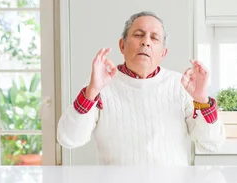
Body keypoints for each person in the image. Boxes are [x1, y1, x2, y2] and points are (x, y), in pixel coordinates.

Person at [56, 11, 226, 166]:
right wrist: (91, 92)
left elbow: (212, 144)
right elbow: (68, 138)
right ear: (122, 45)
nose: (146, 42)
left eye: (154, 38)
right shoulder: (100, 84)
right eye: (138, 35)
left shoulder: (181, 85)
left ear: (163, 53)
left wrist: (202, 100)